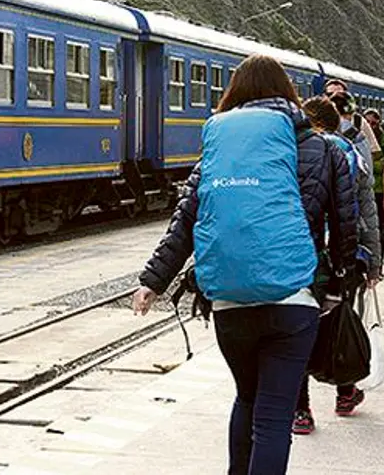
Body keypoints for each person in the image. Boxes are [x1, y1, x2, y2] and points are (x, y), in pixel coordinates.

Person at [133, 54, 357, 474]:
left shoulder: (220, 150)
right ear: (288, 93)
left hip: (230, 301)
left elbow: (186, 220)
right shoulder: (323, 148)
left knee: (247, 399)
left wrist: (153, 280)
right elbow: (346, 226)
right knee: (274, 415)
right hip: (294, 299)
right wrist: (340, 285)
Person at [293, 97, 380, 435]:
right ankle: (345, 392)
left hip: (306, 253)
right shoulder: (351, 153)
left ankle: (301, 409)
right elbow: (366, 209)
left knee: (300, 327)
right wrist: (373, 262)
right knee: (340, 321)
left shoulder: (296, 151)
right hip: (346, 254)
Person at [323, 79, 382, 172]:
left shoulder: (359, 121)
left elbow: (374, 150)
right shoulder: (319, 120)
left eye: (340, 94)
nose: (335, 98)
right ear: (324, 96)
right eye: (330, 94)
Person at [363, 108, 384, 254]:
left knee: (380, 226)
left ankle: (379, 256)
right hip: (366, 189)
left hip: (380, 190)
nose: (370, 126)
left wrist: (369, 164)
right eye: (367, 122)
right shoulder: (360, 138)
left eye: (373, 123)